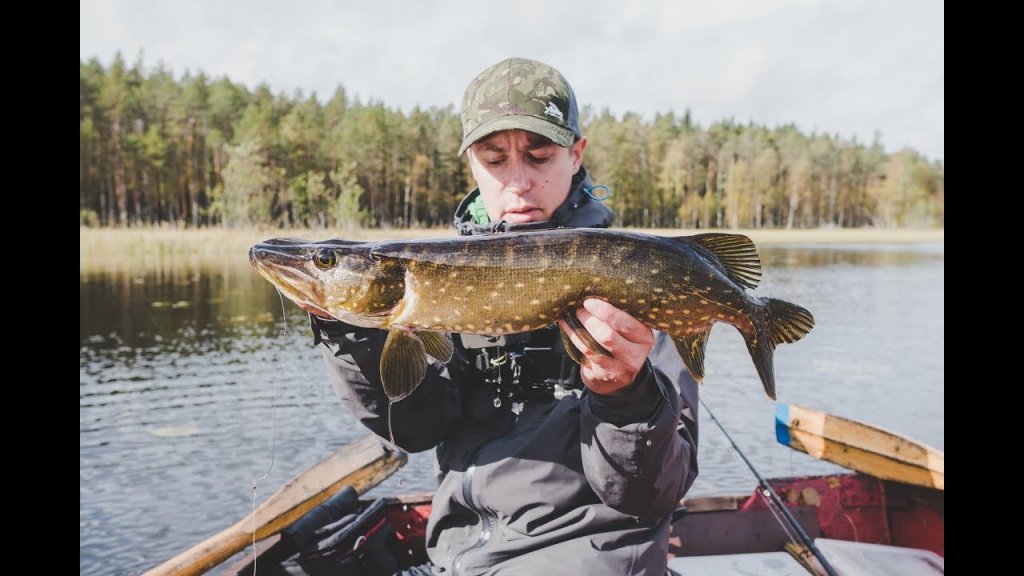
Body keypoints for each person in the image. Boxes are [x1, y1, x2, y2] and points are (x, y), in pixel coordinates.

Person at [309, 57, 699, 575]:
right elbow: (418, 427)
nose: (518, 183)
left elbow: (653, 495)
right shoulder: (438, 276)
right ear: (471, 161)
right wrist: (350, 329)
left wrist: (628, 396)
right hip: (462, 555)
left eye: (538, 156)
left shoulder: (639, 280)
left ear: (576, 154)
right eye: (495, 160)